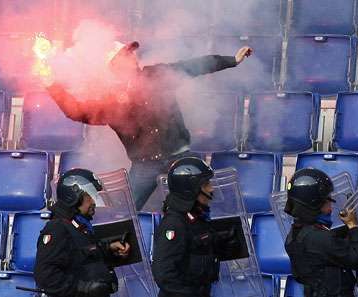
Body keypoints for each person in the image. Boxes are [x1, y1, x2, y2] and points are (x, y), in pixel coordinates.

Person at [46, 41, 253, 210]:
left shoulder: (156, 74)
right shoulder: (110, 102)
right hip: (145, 164)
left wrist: (231, 60)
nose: (132, 58)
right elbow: (77, 111)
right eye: (125, 56)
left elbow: (193, 66)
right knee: (126, 214)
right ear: (115, 67)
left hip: (180, 156)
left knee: (208, 204)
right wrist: (52, 85)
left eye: (131, 54)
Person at [34, 168, 131, 297]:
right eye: (90, 196)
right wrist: (83, 288)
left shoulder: (79, 225)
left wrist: (108, 249)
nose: (94, 202)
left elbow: (80, 255)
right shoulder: (58, 228)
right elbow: (46, 276)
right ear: (73, 196)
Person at [151, 157, 238, 297]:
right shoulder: (174, 224)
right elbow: (164, 274)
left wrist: (220, 241)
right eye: (206, 184)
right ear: (190, 189)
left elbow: (196, 249)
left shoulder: (196, 217)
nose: (211, 189)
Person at [284, 168, 358, 297]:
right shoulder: (321, 238)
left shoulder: (295, 233)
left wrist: (344, 229)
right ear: (315, 203)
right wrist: (353, 226)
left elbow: (325, 245)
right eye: (327, 202)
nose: (331, 209)